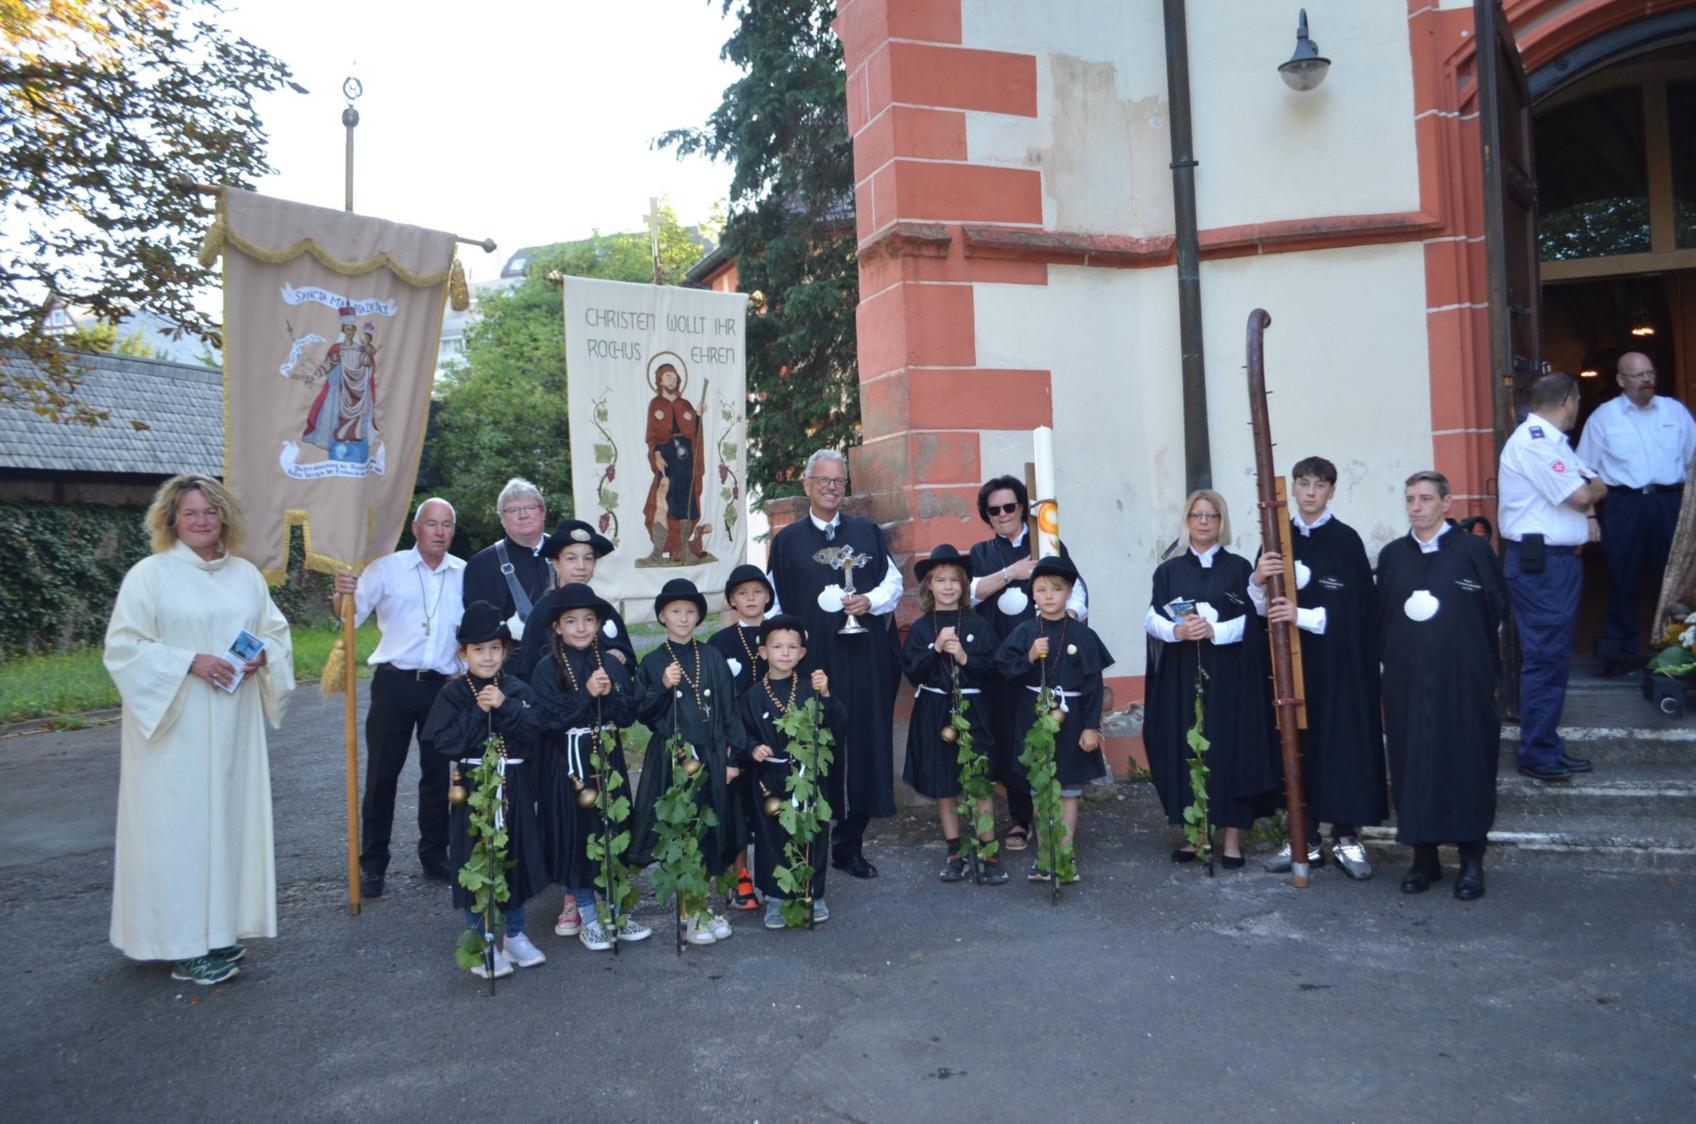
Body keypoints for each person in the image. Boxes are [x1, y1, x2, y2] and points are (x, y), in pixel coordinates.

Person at [103, 475, 294, 985]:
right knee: (178, 832)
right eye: (190, 513)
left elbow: (274, 634)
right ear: (171, 520)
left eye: (210, 511)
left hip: (233, 728)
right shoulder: (150, 575)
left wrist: (262, 657)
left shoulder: (246, 576)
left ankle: (218, 931)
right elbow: (123, 648)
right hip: (175, 731)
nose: (202, 521)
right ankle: (182, 945)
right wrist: (190, 661)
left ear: (224, 517)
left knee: (227, 824)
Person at [765, 449, 902, 879]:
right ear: (807, 484)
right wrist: (783, 654)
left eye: (838, 481)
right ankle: (811, 843)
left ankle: (849, 844)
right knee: (814, 747)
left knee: (862, 745)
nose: (830, 487)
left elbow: (894, 583)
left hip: (862, 661)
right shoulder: (787, 541)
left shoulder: (866, 533)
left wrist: (869, 601)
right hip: (813, 663)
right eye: (822, 480)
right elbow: (773, 603)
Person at [1248, 457, 1387, 879]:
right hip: (1289, 665)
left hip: (1338, 665)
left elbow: (1357, 609)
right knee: (1296, 747)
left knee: (1341, 745)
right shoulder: (1276, 537)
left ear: (1332, 491)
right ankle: (1303, 839)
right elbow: (1260, 610)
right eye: (1304, 484)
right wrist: (1257, 580)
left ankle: (1346, 837)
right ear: (1292, 488)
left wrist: (1301, 615)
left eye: (1319, 485)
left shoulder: (1345, 541)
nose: (1310, 493)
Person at [1377, 471, 1507, 901]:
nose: (1416, 507)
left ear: (1446, 503)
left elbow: (1496, 611)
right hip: (1408, 682)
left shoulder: (1473, 551)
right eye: (1410, 499)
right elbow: (1382, 616)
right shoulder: (1393, 556)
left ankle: (1471, 860)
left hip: (1464, 681)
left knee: (1467, 762)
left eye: (1426, 498)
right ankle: (1423, 857)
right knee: (1413, 763)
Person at [332, 498, 465, 899]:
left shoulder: (464, 573)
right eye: (432, 523)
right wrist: (341, 593)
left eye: (447, 524)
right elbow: (349, 617)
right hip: (395, 683)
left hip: (442, 687)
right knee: (382, 775)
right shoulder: (386, 568)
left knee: (437, 775)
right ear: (415, 528)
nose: (439, 531)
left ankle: (434, 854)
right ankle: (373, 864)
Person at [1142, 490, 1280, 869]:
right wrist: (1178, 631)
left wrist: (1214, 630)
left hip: (1230, 675)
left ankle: (1232, 839)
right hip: (1182, 674)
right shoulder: (1168, 571)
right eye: (1197, 515)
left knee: (1230, 749)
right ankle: (1196, 835)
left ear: (1222, 522)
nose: (1204, 522)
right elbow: (1152, 618)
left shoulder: (1239, 569)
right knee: (1188, 748)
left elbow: (1254, 619)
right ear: (1187, 521)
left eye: (1212, 515)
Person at [423, 601, 548, 977]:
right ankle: (481, 940)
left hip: (514, 788)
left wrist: (506, 706)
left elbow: (535, 732)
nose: (488, 657)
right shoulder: (453, 695)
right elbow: (445, 743)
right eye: (478, 649)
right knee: (475, 858)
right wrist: (479, 711)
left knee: (513, 856)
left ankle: (514, 934)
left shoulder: (517, 689)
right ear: (464, 653)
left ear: (506, 651)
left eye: (495, 648)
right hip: (474, 790)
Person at [968, 476, 1088, 852]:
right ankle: (1020, 819)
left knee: (1048, 731)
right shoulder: (981, 552)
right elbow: (969, 594)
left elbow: (1077, 591)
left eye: (1009, 506)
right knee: (1010, 736)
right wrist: (1011, 574)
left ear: (1022, 506)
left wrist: (1065, 618)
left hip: (1046, 657)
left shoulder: (1047, 543)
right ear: (987, 515)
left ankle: (1052, 817)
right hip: (1002, 659)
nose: (1003, 514)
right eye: (994, 510)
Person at [529, 584, 652, 951]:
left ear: (598, 624)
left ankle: (617, 911)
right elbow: (549, 720)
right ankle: (587, 913)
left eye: (588, 620)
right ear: (557, 627)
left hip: (607, 759)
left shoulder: (611, 664)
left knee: (613, 828)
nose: (580, 628)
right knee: (577, 834)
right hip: (568, 763)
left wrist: (610, 693)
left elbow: (628, 715)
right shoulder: (546, 669)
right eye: (571, 621)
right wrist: (586, 694)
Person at [1502, 373, 1607, 782]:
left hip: (1556, 562)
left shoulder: (1555, 442)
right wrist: (1592, 489)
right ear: (1569, 400)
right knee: (1545, 657)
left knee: (1554, 656)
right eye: (1578, 400)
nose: (1578, 406)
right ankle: (1536, 752)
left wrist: (1591, 488)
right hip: (1541, 564)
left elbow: (1594, 485)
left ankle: (1546, 744)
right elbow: (1584, 493)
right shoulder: (1535, 442)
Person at [631, 578, 747, 946]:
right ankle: (688, 912)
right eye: (675, 611)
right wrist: (663, 686)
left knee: (709, 830)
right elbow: (642, 712)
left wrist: (733, 757)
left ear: (698, 617)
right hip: (674, 758)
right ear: (662, 617)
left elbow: (729, 709)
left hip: (711, 755)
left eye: (690, 612)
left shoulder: (711, 656)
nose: (683, 618)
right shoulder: (653, 662)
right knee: (681, 831)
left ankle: (702, 905)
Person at [994, 555, 1113, 883]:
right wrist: (1030, 657)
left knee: (1068, 789)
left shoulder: (1082, 635)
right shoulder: (1025, 631)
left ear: (1069, 593)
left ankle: (1064, 852)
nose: (1048, 596)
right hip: (1034, 719)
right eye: (1042, 589)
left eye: (1056, 589)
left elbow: (1093, 685)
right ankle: (1045, 854)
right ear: (1032, 594)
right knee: (1040, 786)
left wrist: (1091, 726)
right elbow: (1004, 669)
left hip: (1072, 721)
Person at [1575, 352, 1696, 674]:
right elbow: (1584, 470)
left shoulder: (1674, 411)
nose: (1647, 380)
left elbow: (1692, 460)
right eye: (1639, 375)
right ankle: (1622, 652)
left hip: (1668, 502)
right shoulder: (1604, 417)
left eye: (1650, 373)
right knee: (1621, 577)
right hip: (1623, 504)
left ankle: (1675, 651)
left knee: (1672, 578)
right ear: (1621, 380)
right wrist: (1590, 515)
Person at [902, 544, 1009, 885]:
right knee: (944, 782)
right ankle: (955, 850)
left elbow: (993, 670)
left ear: (963, 586)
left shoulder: (978, 624)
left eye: (954, 580)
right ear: (929, 587)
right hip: (935, 711)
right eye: (940, 580)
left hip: (973, 710)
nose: (947, 586)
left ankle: (988, 851)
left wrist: (963, 657)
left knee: (979, 782)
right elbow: (913, 672)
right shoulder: (922, 628)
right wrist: (935, 649)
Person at [737, 615, 845, 929]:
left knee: (814, 832)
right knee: (771, 835)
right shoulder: (752, 696)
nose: (785, 653)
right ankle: (776, 896)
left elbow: (837, 723)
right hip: (770, 779)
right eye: (777, 646)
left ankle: (813, 893)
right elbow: (741, 733)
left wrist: (826, 695)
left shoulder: (812, 688)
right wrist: (753, 748)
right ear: (763, 652)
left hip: (808, 774)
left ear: (802, 653)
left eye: (792, 647)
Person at [708, 563, 776, 910]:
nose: (751, 599)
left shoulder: (781, 633)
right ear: (732, 600)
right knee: (736, 811)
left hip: (772, 737)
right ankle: (740, 877)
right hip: (734, 737)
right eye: (742, 593)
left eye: (757, 592)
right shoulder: (719, 643)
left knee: (771, 806)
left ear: (768, 597)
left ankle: (776, 876)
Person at [511, 517, 635, 680]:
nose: (581, 566)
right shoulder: (542, 612)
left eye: (588, 558)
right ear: (556, 563)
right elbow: (528, 671)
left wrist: (619, 656)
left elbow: (630, 664)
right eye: (571, 558)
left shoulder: (605, 610)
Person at [462, 478, 554, 641]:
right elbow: (481, 632)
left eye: (530, 507)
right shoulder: (482, 565)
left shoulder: (567, 553)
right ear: (502, 519)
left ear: (543, 512)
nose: (523, 515)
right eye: (513, 510)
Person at [641, 361, 706, 565]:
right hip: (667, 456)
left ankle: (683, 549)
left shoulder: (684, 404)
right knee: (663, 502)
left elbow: (693, 432)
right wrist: (656, 455)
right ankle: (658, 550)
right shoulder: (656, 404)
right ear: (660, 381)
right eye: (668, 376)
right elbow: (652, 436)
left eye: (674, 376)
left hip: (685, 457)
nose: (672, 380)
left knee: (685, 503)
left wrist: (698, 416)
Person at [303, 306, 378, 464]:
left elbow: (366, 363)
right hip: (343, 390)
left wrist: (369, 356)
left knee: (357, 418)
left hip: (358, 389)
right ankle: (342, 444)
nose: (350, 331)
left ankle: (354, 444)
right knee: (342, 417)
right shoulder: (338, 349)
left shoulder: (360, 349)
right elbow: (328, 365)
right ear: (343, 330)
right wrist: (313, 376)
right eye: (348, 329)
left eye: (352, 329)